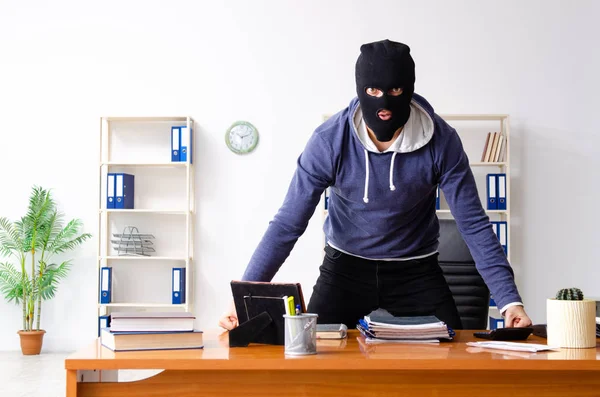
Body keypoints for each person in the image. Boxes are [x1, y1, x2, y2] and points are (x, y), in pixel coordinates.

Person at [219, 39, 532, 331]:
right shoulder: (329, 141)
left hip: (417, 271)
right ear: (359, 90)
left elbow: (473, 223)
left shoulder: (441, 141)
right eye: (372, 91)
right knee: (314, 357)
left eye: (395, 91)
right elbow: (288, 223)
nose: (383, 103)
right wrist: (244, 296)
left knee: (452, 357)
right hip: (344, 270)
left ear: (408, 89)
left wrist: (509, 301)